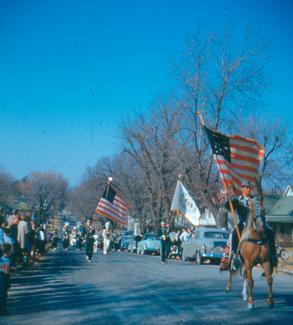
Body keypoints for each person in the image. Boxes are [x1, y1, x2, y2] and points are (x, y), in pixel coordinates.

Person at [224, 180, 277, 271]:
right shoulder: (237, 200)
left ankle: (272, 255)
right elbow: (228, 206)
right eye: (246, 187)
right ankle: (234, 255)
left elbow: (259, 209)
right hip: (243, 222)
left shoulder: (255, 199)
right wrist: (227, 198)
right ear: (242, 189)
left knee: (270, 231)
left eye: (249, 188)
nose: (249, 189)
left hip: (256, 222)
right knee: (234, 232)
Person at [0, 244, 11, 315]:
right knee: (3, 294)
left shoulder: (1, 259)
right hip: (3, 278)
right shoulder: (7, 259)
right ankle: (2, 309)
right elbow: (6, 271)